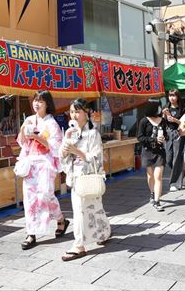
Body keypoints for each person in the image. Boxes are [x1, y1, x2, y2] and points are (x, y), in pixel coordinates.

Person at [59, 98, 111, 261]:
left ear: (86, 113)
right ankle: (103, 232)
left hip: (88, 175)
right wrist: (66, 141)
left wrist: (76, 151)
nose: (73, 115)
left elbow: (96, 158)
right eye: (72, 111)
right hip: (76, 176)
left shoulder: (93, 133)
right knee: (91, 208)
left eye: (77, 111)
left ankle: (79, 245)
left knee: (83, 209)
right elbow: (62, 156)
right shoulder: (71, 132)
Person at [17, 90, 69, 250]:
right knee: (30, 197)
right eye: (35, 100)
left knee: (46, 194)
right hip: (31, 163)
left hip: (45, 163)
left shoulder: (52, 124)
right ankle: (30, 233)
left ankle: (60, 219)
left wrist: (36, 136)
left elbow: (54, 146)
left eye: (40, 101)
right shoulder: (30, 120)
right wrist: (23, 129)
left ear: (47, 104)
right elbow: (21, 142)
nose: (36, 103)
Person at [137, 99, 168, 211]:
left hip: (159, 151)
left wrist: (164, 138)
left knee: (158, 176)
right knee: (150, 176)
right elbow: (140, 137)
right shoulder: (144, 121)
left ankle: (157, 201)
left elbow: (166, 135)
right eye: (158, 106)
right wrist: (153, 139)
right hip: (147, 151)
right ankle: (152, 193)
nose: (160, 108)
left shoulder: (163, 120)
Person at [163, 89, 185, 192]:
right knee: (168, 159)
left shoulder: (182, 109)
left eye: (173, 96)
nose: (171, 98)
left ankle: (173, 183)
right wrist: (163, 116)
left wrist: (175, 120)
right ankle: (181, 173)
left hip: (178, 133)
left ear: (177, 97)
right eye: (170, 96)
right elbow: (162, 122)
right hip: (168, 134)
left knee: (176, 158)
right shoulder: (166, 108)